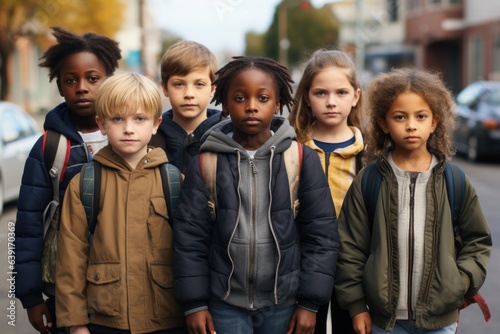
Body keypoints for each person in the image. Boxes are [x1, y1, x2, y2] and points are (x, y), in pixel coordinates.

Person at [172, 55, 339, 334]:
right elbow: (190, 239)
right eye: (239, 98)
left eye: (262, 98)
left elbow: (321, 235)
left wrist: (310, 303)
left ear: (277, 104)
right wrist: (195, 304)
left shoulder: (299, 158)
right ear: (225, 104)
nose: (251, 107)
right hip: (224, 305)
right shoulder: (205, 162)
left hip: (283, 304)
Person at [334, 68, 492, 334]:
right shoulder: (369, 181)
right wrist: (357, 305)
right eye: (400, 117)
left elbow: (478, 241)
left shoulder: (454, 181)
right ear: (384, 123)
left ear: (434, 122)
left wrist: (460, 282)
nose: (410, 125)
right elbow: (350, 247)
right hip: (384, 322)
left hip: (439, 321)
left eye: (421, 116)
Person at [55, 73, 186, 334]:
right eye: (117, 119)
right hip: (106, 319)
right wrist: (75, 323)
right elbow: (70, 258)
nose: (128, 128)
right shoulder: (85, 184)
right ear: (101, 123)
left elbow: (193, 250)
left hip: (166, 318)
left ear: (156, 124)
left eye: (139, 118)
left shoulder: (174, 180)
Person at [14, 27, 121, 334]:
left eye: (92, 78)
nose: (82, 87)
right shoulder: (50, 147)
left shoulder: (130, 138)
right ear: (60, 87)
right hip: (64, 286)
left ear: (109, 80)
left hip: (124, 285)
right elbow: (27, 225)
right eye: (70, 80)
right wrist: (31, 296)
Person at [288, 49, 364, 334]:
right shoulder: (291, 148)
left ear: (355, 96)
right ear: (307, 96)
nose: (331, 102)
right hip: (302, 265)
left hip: (354, 267)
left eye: (341, 93)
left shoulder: (370, 154)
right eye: (321, 93)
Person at [150, 40, 224, 173]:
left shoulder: (227, 136)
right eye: (179, 84)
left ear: (213, 89)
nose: (189, 94)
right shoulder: (149, 138)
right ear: (165, 88)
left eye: (199, 84)